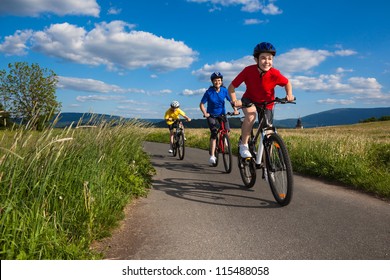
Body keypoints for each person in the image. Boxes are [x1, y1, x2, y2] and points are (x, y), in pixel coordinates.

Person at [228, 42, 294, 158]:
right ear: (256, 59)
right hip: (250, 100)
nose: (267, 61)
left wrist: (289, 94)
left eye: (270, 58)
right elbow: (231, 87)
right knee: (251, 116)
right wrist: (234, 100)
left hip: (267, 103)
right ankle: (244, 145)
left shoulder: (275, 73)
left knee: (269, 132)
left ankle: (268, 161)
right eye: (263, 58)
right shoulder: (248, 71)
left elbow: (287, 83)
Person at [200, 72, 239, 165]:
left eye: (219, 80)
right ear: (212, 82)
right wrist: (205, 113)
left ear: (221, 81)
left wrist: (235, 110)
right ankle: (212, 155)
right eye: (215, 80)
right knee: (214, 133)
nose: (217, 82)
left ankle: (225, 143)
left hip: (222, 114)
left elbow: (231, 101)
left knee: (227, 130)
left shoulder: (224, 91)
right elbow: (201, 104)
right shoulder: (209, 92)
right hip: (211, 115)